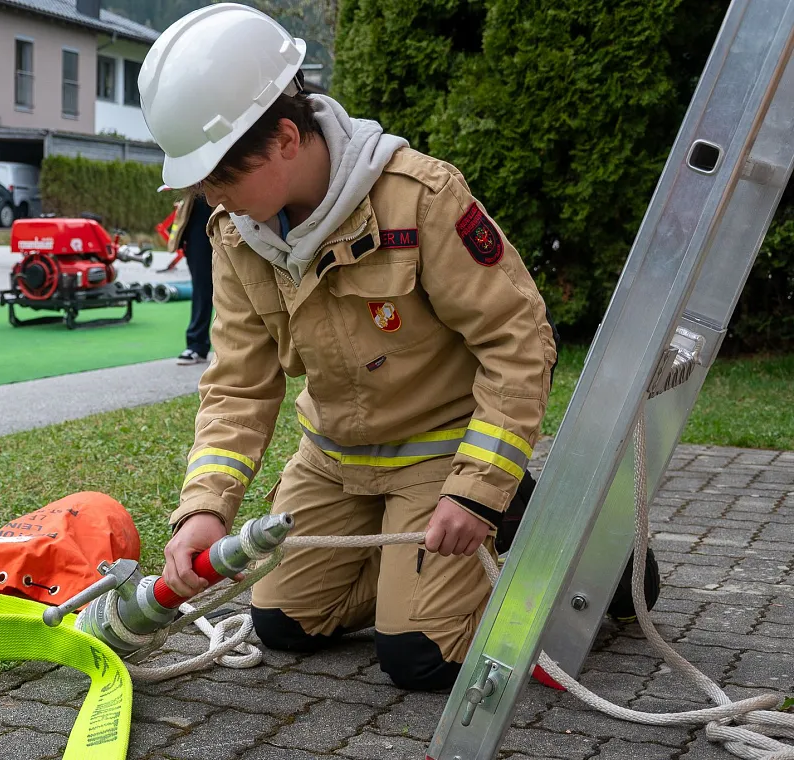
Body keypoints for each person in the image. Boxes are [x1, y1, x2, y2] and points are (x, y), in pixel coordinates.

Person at [139, 4, 558, 691]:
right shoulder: (236, 235)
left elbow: (517, 342)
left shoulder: (419, 197)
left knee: (419, 655)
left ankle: (532, 533)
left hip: (438, 453)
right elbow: (239, 385)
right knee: (283, 623)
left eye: (219, 176)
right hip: (334, 461)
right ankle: (414, 570)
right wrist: (205, 508)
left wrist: (478, 491)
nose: (212, 197)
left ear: (281, 139)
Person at [167, 193, 216, 365]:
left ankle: (247, 346)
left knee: (242, 286)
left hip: (230, 208)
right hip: (199, 212)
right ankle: (197, 345)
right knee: (202, 287)